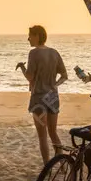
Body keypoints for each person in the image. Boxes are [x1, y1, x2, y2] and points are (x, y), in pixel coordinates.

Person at [17, 25, 67, 164]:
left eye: (30, 36)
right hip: (52, 97)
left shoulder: (33, 53)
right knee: (53, 132)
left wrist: (22, 67)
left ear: (37, 36)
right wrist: (54, 86)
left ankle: (46, 166)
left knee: (42, 136)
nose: (28, 39)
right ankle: (62, 163)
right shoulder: (54, 52)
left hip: (39, 97)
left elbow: (30, 77)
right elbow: (64, 75)